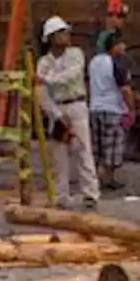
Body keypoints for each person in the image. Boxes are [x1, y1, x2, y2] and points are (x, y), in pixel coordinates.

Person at [37, 16, 100, 209]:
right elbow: (41, 94)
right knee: (58, 156)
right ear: (52, 37)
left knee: (83, 150)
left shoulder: (76, 55)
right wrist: (56, 115)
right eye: (62, 33)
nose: (67, 36)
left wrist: (47, 79)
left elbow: (71, 75)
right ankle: (61, 196)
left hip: (77, 105)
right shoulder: (44, 62)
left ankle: (90, 194)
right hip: (57, 109)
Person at [89, 29, 134, 191]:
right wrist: (131, 109)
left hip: (94, 108)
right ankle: (109, 178)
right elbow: (125, 90)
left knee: (97, 144)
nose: (124, 47)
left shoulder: (93, 62)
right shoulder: (116, 64)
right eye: (121, 44)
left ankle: (94, 177)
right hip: (113, 109)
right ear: (113, 46)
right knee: (112, 146)